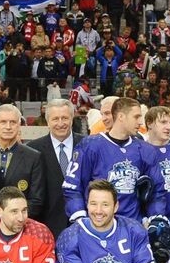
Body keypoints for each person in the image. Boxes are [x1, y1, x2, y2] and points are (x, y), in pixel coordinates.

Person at [64, 96, 158, 224]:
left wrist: (155, 216)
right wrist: (80, 217)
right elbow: (72, 185)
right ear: (121, 117)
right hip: (97, 225)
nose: (140, 122)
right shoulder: (90, 145)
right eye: (136, 117)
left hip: (133, 226)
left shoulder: (145, 149)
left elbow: (158, 189)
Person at [34, 97, 82, 236]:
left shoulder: (87, 145)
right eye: (55, 119)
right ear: (47, 121)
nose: (60, 123)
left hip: (83, 224)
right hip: (47, 226)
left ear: (72, 119)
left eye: (65, 118)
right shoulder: (33, 150)